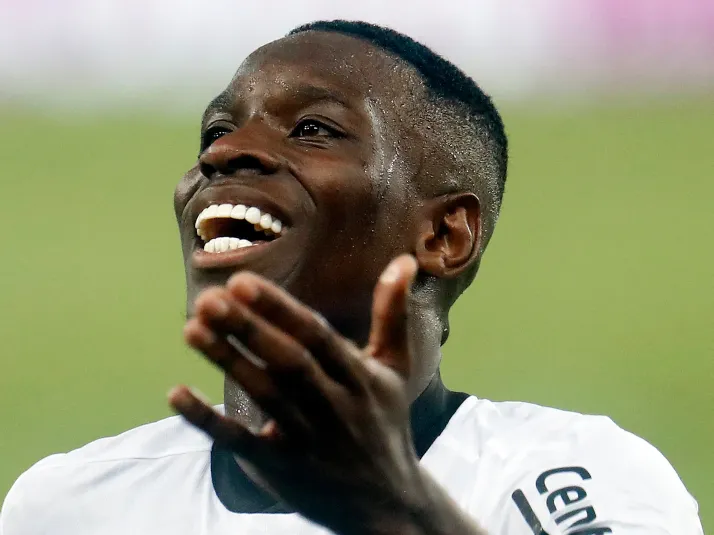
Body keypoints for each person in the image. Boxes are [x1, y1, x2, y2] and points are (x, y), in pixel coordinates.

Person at [0, 20, 703, 535]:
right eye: (216, 132)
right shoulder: (70, 506)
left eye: (313, 129)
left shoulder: (574, 472)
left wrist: (397, 512)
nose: (227, 152)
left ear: (444, 234)